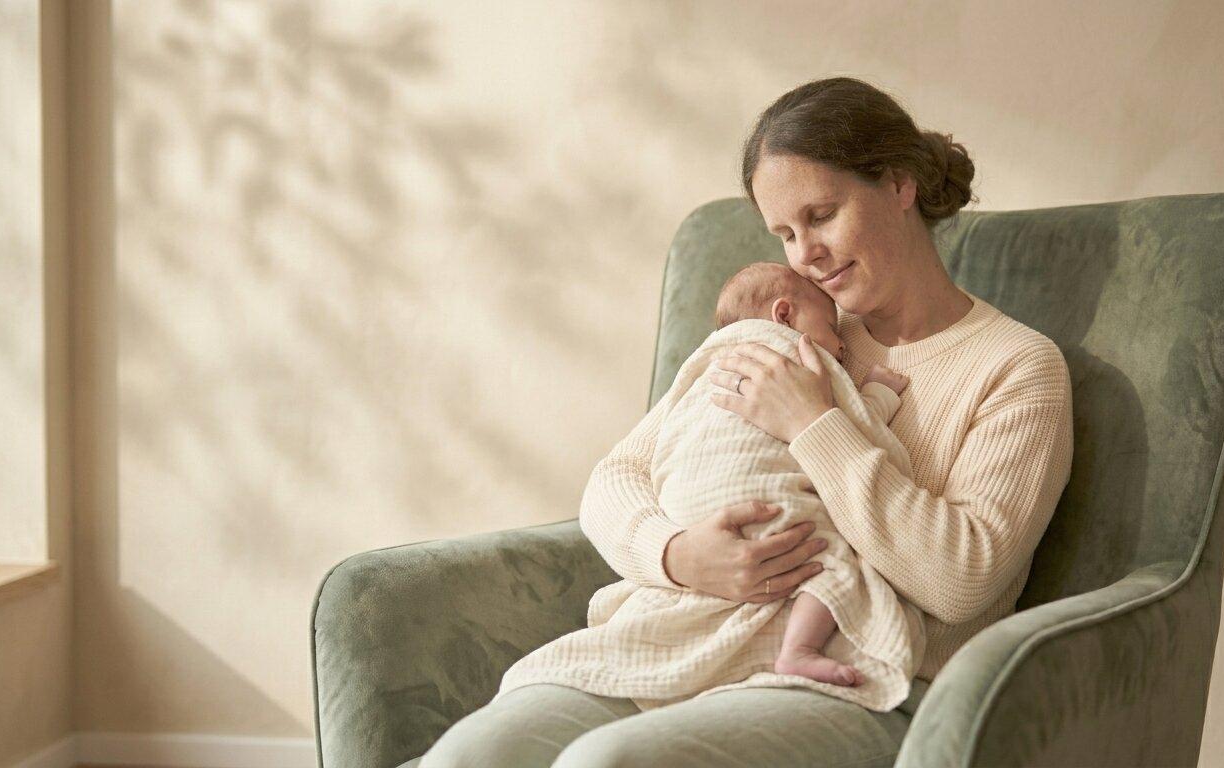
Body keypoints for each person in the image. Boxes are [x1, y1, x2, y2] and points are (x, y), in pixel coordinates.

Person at [419, 75, 1074, 768]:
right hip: (684, 640)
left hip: (857, 673)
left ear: (898, 183)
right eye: (786, 234)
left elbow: (961, 580)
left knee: (605, 765)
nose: (805, 255)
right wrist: (676, 553)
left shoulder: (1016, 367)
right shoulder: (776, 331)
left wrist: (814, 424)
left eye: (821, 215)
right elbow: (618, 478)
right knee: (471, 757)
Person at [487, 259, 924, 713]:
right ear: (783, 316)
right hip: (738, 523)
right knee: (832, 564)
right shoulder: (799, 354)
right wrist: (676, 552)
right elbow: (854, 429)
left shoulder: (709, 363)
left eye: (821, 216)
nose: (840, 345)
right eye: (832, 327)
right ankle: (798, 650)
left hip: (690, 506)